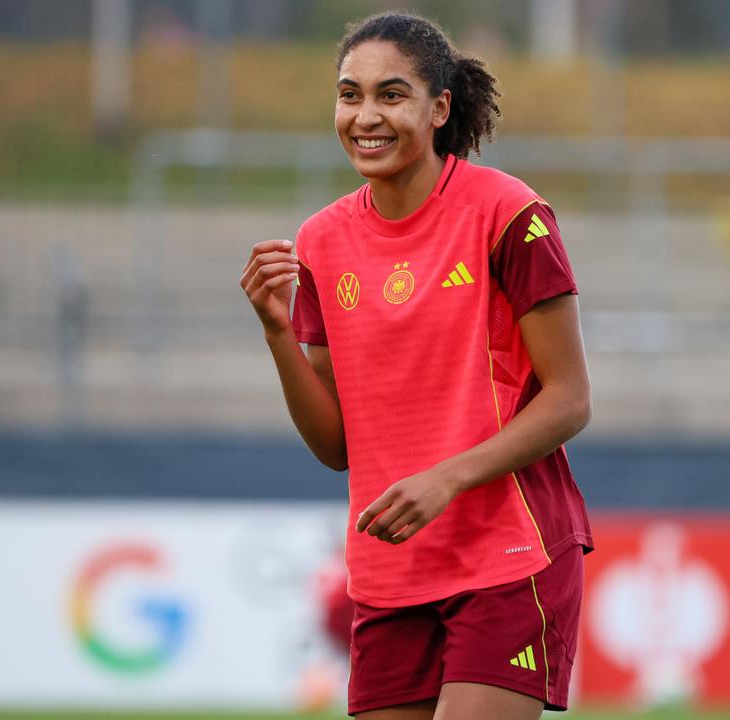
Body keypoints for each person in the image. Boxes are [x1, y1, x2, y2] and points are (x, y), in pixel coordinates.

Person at [239, 13, 593, 720]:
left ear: (439, 108)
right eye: (350, 95)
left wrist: (447, 479)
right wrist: (277, 332)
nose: (365, 116)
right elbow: (337, 446)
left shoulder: (508, 214)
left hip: (510, 555)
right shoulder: (320, 241)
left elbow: (569, 401)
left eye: (391, 95)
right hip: (390, 570)